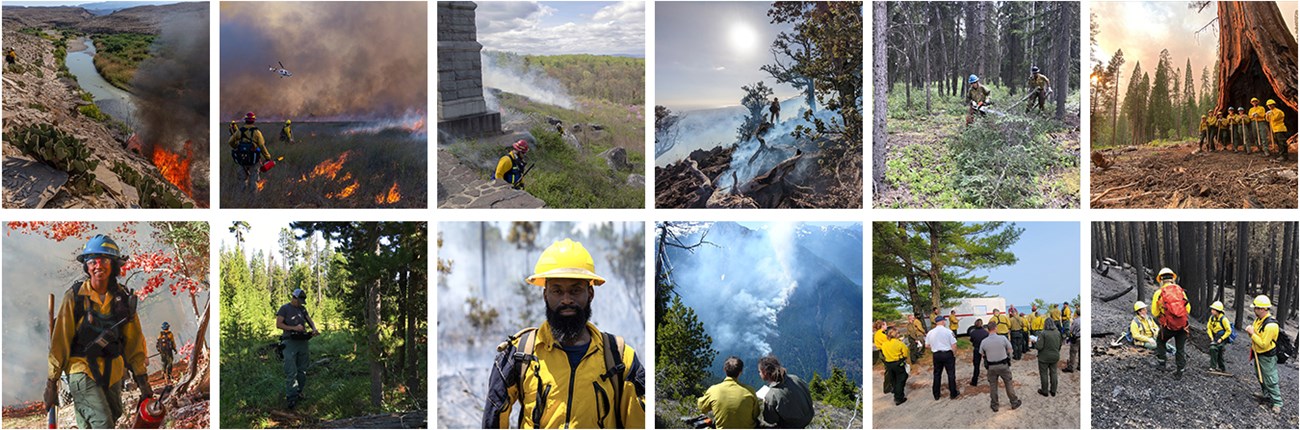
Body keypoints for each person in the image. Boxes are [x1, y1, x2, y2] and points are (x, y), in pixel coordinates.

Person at [483, 239, 646, 429]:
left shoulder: (620, 358)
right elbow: (493, 420)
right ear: (545, 295)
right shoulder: (518, 354)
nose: (566, 300)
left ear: (590, 293)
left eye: (575, 290)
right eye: (557, 291)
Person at [45, 235, 151, 429]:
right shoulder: (75, 297)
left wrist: (142, 380)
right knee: (103, 423)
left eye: (104, 260)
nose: (98, 266)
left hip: (114, 371)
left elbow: (134, 341)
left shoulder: (124, 299)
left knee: (111, 415)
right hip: (81, 368)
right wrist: (52, 382)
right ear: (86, 266)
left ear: (114, 265)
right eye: (92, 261)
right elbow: (60, 341)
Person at [275, 288, 318, 409]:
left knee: (302, 370)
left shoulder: (302, 309)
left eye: (301, 302)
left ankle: (299, 392)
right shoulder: (284, 308)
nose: (300, 303)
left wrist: (314, 329)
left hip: (303, 342)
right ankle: (291, 397)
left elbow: (309, 320)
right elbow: (278, 324)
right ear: (293, 298)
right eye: (299, 301)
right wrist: (294, 328)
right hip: (289, 342)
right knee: (291, 371)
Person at [698, 357, 760, 429]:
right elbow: (756, 414)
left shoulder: (713, 390)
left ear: (724, 369)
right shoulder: (750, 391)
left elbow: (702, 407)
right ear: (740, 372)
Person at [1245, 295, 1282, 413]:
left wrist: (1252, 333)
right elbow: (1255, 335)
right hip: (1258, 353)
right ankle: (1265, 394)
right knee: (1259, 374)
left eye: (1255, 308)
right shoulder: (1258, 320)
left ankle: (1277, 402)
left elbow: (1264, 344)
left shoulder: (1271, 325)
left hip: (1267, 355)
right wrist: (1251, 332)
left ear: (1262, 309)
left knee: (1270, 378)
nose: (1254, 310)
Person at [1151, 267, 1190, 378]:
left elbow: (1154, 312)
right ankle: (1180, 371)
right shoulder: (1180, 291)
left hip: (1168, 326)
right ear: (1172, 278)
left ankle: (1162, 363)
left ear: (1161, 280)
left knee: (1160, 341)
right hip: (1182, 326)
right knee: (1180, 349)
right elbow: (1188, 309)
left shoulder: (1159, 293)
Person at [756, 355, 814, 428]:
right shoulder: (794, 378)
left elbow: (770, 420)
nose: (759, 374)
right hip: (809, 415)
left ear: (765, 373)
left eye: (760, 371)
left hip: (794, 425)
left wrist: (767, 402)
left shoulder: (771, 395)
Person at [979, 320, 1020, 412]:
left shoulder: (984, 341)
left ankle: (995, 405)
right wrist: (1008, 357)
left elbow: (982, 354)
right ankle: (1014, 402)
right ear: (996, 328)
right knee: (1008, 383)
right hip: (1003, 365)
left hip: (991, 367)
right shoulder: (1003, 338)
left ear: (988, 330)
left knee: (993, 386)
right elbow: (1010, 349)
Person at [227, 112, 272, 184]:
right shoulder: (257, 132)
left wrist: (236, 147)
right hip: (254, 159)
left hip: (242, 159)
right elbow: (262, 146)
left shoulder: (240, 131)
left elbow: (230, 141)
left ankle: (241, 194)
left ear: (245, 120)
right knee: (254, 180)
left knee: (242, 180)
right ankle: (252, 194)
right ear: (254, 121)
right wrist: (268, 157)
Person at [925, 315, 959, 400]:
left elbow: (926, 345)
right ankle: (953, 393)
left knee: (937, 374)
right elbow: (954, 345)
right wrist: (954, 354)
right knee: (951, 374)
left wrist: (934, 347)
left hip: (936, 355)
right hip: (947, 354)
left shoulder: (930, 332)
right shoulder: (948, 331)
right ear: (942, 322)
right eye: (944, 321)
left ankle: (936, 394)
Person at [881, 327, 910, 405]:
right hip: (898, 363)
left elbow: (884, 353)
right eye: (898, 333)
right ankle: (899, 398)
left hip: (888, 363)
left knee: (893, 379)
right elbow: (905, 353)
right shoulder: (899, 343)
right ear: (896, 335)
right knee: (901, 378)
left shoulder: (884, 344)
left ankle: (894, 390)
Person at [1035, 318, 1061, 397]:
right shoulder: (1057, 332)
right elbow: (1060, 345)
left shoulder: (1043, 333)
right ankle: (1053, 390)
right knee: (1054, 373)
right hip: (1055, 356)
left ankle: (1045, 391)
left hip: (1044, 357)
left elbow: (1039, 347)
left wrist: (1036, 342)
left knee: (1044, 374)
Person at [1206, 300, 1232, 373]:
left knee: (1213, 348)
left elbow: (1228, 331)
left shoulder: (1224, 319)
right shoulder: (1212, 318)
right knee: (1219, 351)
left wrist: (1221, 338)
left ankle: (1213, 367)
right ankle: (1222, 368)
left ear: (1218, 311)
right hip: (1215, 337)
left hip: (1223, 338)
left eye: (1213, 309)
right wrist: (1211, 338)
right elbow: (1209, 328)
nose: (1212, 311)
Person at [968, 319, 988, 386]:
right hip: (985, 349)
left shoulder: (973, 332)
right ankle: (991, 379)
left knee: (976, 366)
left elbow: (971, 340)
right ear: (982, 324)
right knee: (988, 364)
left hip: (977, 349)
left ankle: (974, 381)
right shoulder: (986, 332)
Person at [1063, 309, 1080, 373]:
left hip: (1076, 338)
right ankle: (1080, 366)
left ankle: (1071, 367)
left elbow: (1071, 330)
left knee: (1073, 353)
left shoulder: (1076, 321)